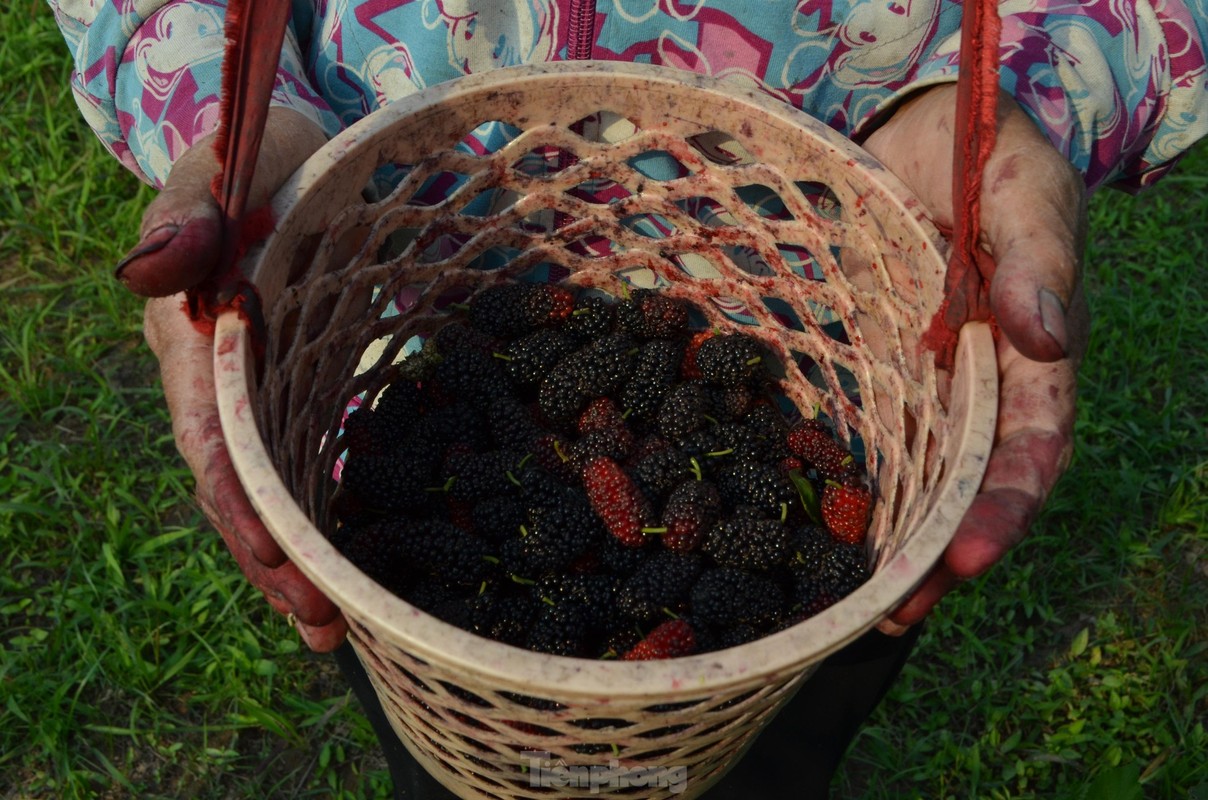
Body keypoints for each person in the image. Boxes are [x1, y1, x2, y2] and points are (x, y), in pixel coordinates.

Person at [52, 2, 1208, 797]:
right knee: (455, 742)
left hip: (839, 300)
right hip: (389, 311)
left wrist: (998, 101)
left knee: (769, 730)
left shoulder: (734, 457)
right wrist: (227, 107)